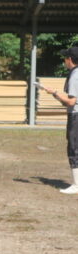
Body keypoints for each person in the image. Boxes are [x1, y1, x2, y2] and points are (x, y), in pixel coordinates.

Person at [42, 46, 78, 194]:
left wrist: (55, 92)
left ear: (70, 59)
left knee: (74, 149)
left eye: (65, 58)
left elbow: (71, 102)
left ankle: (76, 185)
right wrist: (55, 95)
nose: (64, 61)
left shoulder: (75, 75)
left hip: (76, 116)